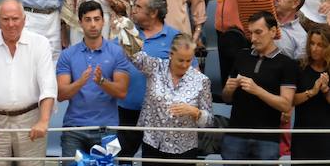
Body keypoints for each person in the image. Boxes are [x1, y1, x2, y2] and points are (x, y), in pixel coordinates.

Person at [0, 0, 57, 164]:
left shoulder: (40, 43)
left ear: (24, 20)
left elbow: (48, 86)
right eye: (5, 19)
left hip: (31, 119)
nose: (10, 24)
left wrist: (44, 121)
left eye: (15, 19)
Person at [122, 32, 213, 165]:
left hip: (184, 149)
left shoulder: (201, 81)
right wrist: (125, 28)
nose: (184, 65)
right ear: (171, 54)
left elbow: (209, 121)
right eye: (180, 60)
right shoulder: (155, 67)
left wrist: (195, 112)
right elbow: (134, 55)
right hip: (153, 144)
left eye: (189, 60)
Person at [57, 0, 131, 156]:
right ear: (80, 23)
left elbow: (122, 92)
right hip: (74, 129)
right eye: (88, 19)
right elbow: (61, 94)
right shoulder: (67, 55)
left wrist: (102, 82)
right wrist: (80, 83)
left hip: (106, 129)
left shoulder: (117, 52)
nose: (93, 24)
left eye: (97, 19)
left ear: (103, 21)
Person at [221, 11, 297, 162]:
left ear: (273, 31)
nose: (253, 38)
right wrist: (228, 89)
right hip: (235, 134)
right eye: (251, 33)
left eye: (258, 32)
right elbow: (226, 98)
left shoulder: (287, 63)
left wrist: (257, 90)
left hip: (267, 138)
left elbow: (285, 104)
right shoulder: (242, 56)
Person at [291, 28, 330, 162]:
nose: (315, 48)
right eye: (312, 43)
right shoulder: (300, 67)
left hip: (326, 135)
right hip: (303, 134)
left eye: (320, 45)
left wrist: (326, 91)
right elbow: (290, 100)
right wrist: (311, 92)